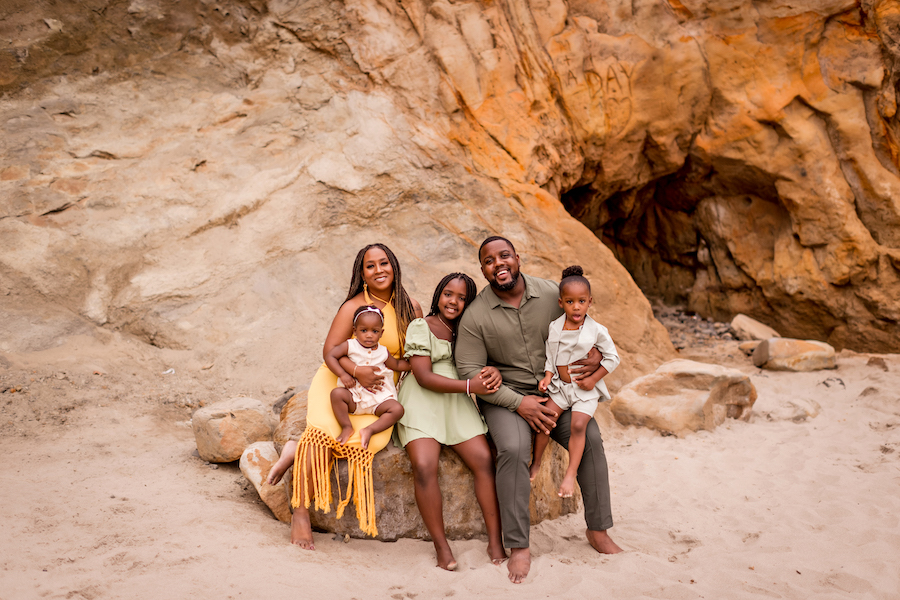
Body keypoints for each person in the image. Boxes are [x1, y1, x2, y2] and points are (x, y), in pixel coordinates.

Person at [455, 236, 623, 584]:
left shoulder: (551, 294)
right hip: (507, 398)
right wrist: (519, 403)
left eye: (505, 256)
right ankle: (518, 545)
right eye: (489, 261)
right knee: (514, 449)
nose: (499, 264)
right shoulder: (476, 315)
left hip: (558, 393)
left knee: (590, 436)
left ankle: (598, 530)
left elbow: (585, 324)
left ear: (517, 258)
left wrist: (593, 357)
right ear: (483, 269)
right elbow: (468, 371)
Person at [266, 243, 422, 547]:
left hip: (377, 393)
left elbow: (414, 353)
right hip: (341, 383)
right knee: (324, 435)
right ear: (362, 273)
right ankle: (300, 511)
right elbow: (330, 352)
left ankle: (293, 450)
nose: (379, 270)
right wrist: (354, 373)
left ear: (395, 266)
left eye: (384, 263)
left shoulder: (410, 307)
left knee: (366, 442)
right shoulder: (353, 306)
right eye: (371, 265)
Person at [394, 273, 507, 571]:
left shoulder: (470, 331)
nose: (453, 302)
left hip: (456, 403)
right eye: (448, 294)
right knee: (424, 465)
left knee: (483, 460)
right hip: (422, 400)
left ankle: (495, 540)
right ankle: (441, 546)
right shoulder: (423, 326)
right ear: (438, 295)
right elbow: (424, 376)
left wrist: (492, 371)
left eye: (461, 297)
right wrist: (471, 388)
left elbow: (492, 361)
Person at [532, 266, 620, 499]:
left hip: (583, 389)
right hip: (561, 387)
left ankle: (570, 474)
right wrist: (548, 376)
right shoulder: (555, 327)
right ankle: (536, 462)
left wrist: (593, 379)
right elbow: (551, 355)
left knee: (579, 426)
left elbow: (613, 358)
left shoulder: (597, 330)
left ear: (590, 301)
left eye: (581, 301)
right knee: (545, 419)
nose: (576, 306)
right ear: (561, 303)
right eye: (570, 302)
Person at [327, 305, 409, 449]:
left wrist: (415, 365)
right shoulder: (350, 346)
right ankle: (346, 426)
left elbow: (396, 364)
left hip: (378, 399)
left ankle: (370, 429)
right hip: (354, 396)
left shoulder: (383, 352)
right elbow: (331, 355)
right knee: (336, 394)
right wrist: (343, 374)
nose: (369, 335)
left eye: (374, 331)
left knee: (397, 409)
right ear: (355, 331)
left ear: (381, 333)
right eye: (364, 330)